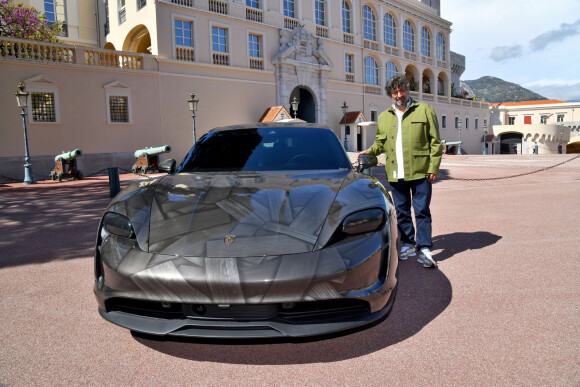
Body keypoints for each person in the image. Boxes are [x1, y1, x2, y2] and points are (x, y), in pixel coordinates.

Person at [358, 75, 441, 268]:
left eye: (401, 90)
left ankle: (424, 248)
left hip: (421, 171)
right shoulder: (385, 116)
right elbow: (380, 143)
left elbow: (435, 142)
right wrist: (369, 151)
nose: (399, 95)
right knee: (402, 211)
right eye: (395, 92)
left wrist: (433, 167)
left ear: (407, 90)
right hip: (396, 172)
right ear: (391, 94)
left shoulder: (424, 110)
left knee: (421, 211)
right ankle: (409, 244)